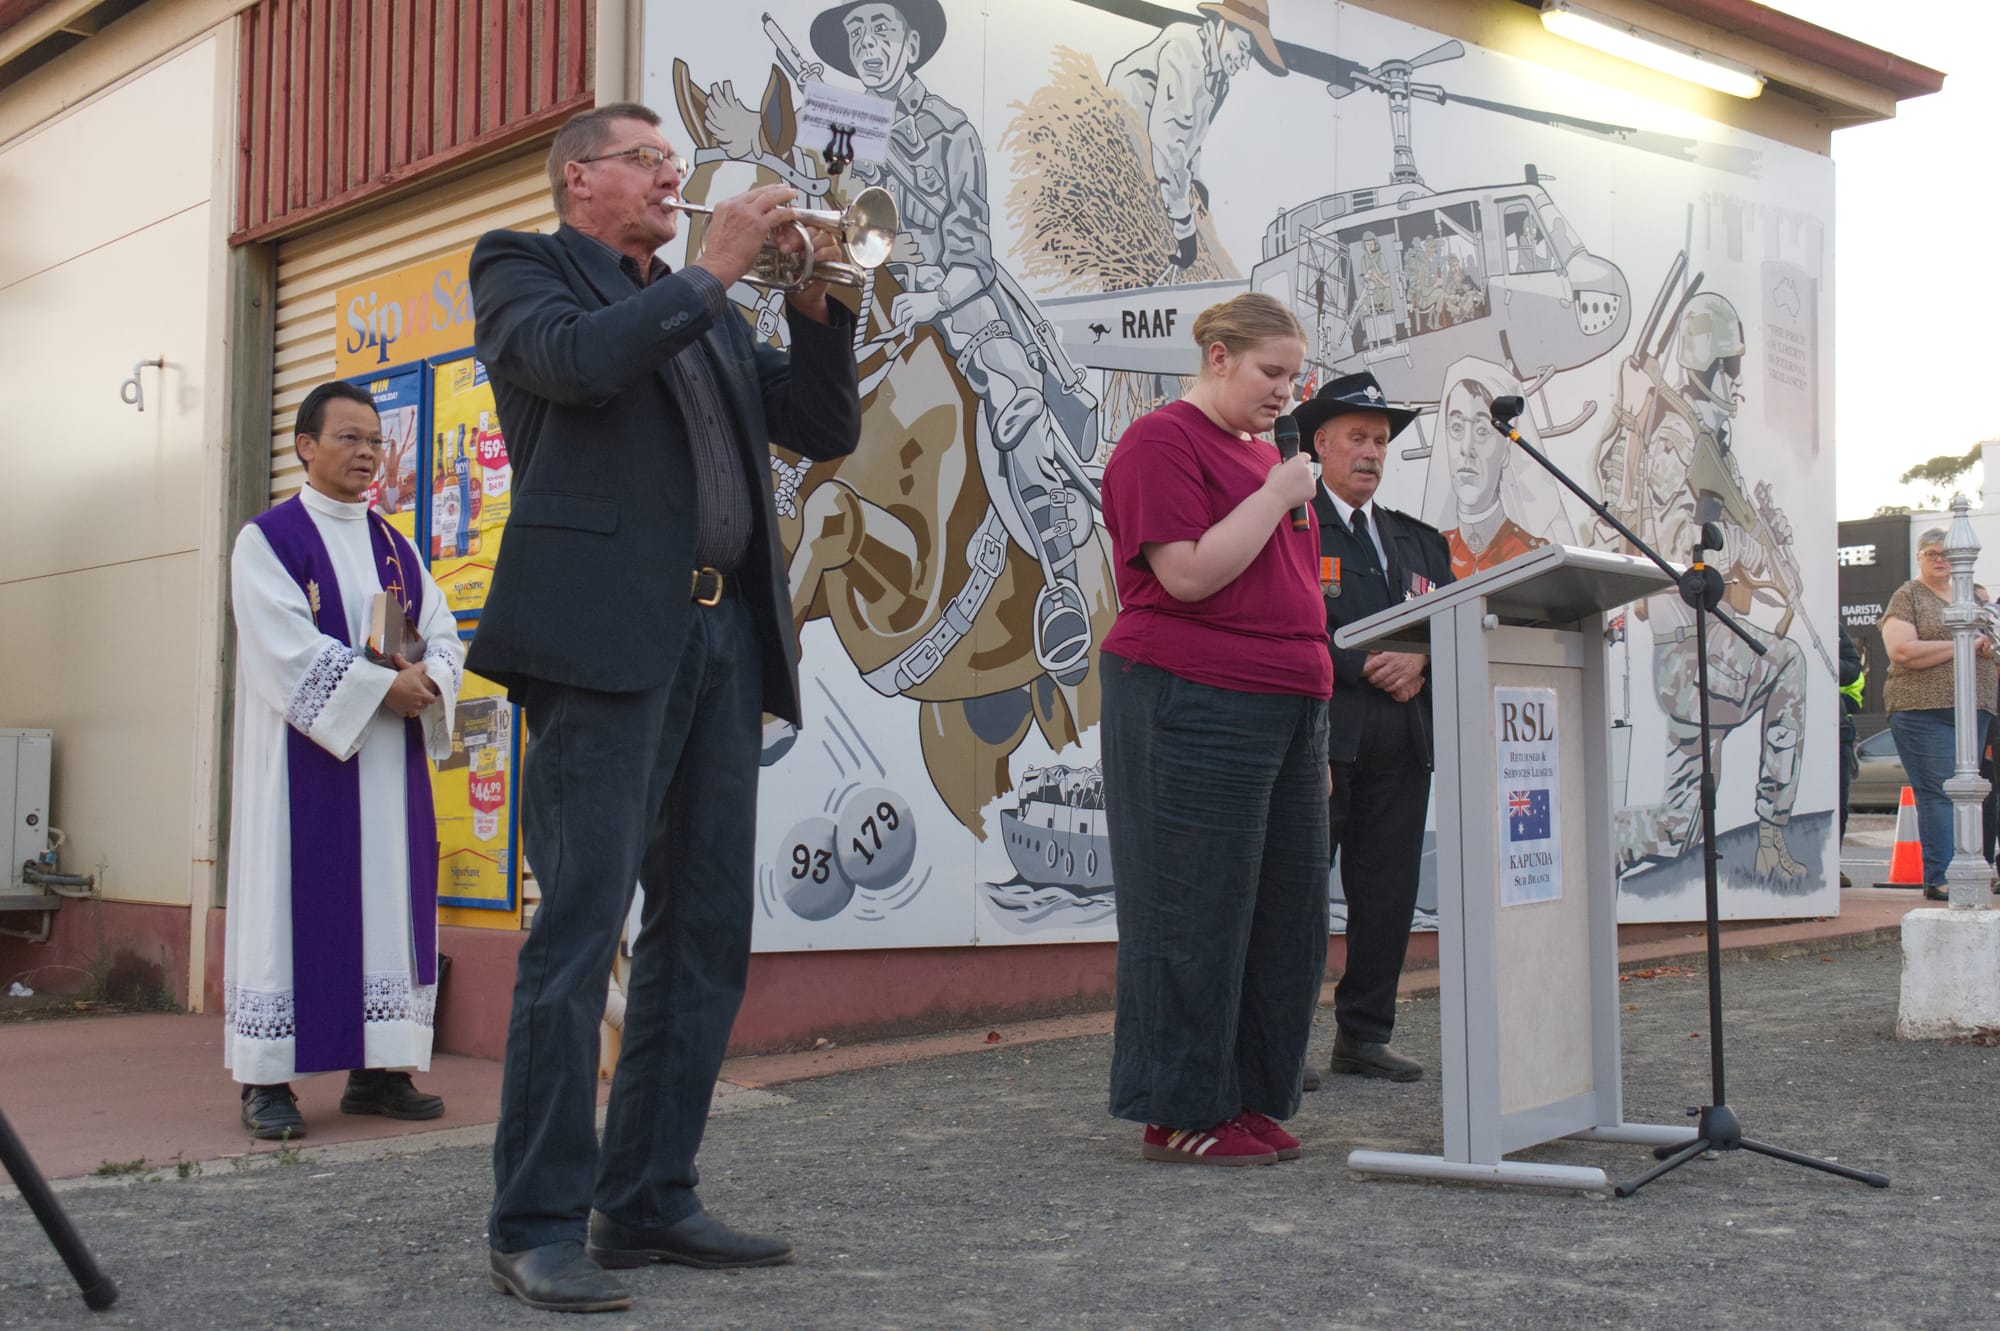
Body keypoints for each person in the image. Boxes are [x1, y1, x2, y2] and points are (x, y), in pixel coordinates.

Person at [468, 102, 862, 1313]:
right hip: (597, 642)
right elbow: (577, 365)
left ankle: (645, 1196)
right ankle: (534, 1219)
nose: (669, 178)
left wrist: (819, 301)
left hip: (718, 638)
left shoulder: (705, 313)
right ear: (579, 177)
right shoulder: (526, 267)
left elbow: (822, 427)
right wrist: (716, 266)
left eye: (671, 165)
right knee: (580, 929)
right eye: (648, 161)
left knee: (702, 933)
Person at [1099, 292, 1328, 1166]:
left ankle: (1246, 1093)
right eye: (1272, 372)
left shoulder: (1265, 457)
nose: (1285, 391)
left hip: (1287, 701)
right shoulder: (1164, 439)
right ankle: (1180, 1108)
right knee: (1194, 905)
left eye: (1294, 376)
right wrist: (1275, 493)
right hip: (1192, 691)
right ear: (1219, 355)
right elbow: (1188, 575)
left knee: (1285, 914)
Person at [805, 0, 1096, 684]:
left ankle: (1060, 587)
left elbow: (974, 253)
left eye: (881, 29)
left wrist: (932, 299)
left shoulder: (950, 131)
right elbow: (822, 204)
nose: (868, 45)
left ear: (910, 43)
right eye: (856, 33)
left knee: (1014, 395)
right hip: (863, 287)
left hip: (953, 297)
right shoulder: (842, 122)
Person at [223, 381, 462, 1141]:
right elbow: (283, 649)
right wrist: (378, 687)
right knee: (289, 908)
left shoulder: (397, 546)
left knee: (388, 905)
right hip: (301, 772)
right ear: (305, 446)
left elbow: (443, 633)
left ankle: (380, 1068)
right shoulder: (268, 540)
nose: (367, 453)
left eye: (375, 440)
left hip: (388, 774)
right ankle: (266, 1078)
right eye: (349, 438)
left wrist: (429, 680)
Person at [1596, 291, 1809, 883]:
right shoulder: (1677, 438)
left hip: (1699, 651)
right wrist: (1743, 547)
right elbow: (1671, 542)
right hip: (1691, 654)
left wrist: (1769, 550)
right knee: (1787, 664)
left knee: (1677, 828)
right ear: (1709, 366)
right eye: (1732, 366)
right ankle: (1771, 834)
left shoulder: (1707, 436)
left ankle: (1594, 842)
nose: (1738, 379)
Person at [1299, 372, 1453, 1085]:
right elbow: (1285, 630)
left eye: (1381, 441)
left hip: (1401, 745)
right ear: (1320, 443)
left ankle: (1364, 1034)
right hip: (1322, 741)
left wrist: (1423, 660)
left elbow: (1455, 627)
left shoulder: (1418, 544)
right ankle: (1279, 1045)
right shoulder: (1291, 528)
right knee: (1296, 901)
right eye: (1357, 438)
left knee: (1387, 897)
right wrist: (1368, 665)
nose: (1370, 452)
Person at [1107, 0, 1286, 271]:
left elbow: (1193, 135)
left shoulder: (1220, 82)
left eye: (1250, 56)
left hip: (1155, 160)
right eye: (1244, 49)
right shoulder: (1185, 52)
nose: (1244, 63)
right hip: (1121, 140)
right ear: (1224, 26)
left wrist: (1196, 177)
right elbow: (1169, 140)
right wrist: (1184, 227)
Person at [1879, 530, 1997, 900]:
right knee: (1940, 792)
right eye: (1932, 553)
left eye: (1947, 554)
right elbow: (1902, 651)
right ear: (1919, 557)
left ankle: (1971, 868)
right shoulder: (1908, 595)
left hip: (1974, 709)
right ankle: (1941, 876)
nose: (1940, 559)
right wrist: (1962, 644)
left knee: (1971, 793)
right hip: (1922, 709)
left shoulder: (1974, 597)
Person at [1837, 623, 1863, 888]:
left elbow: (1852, 669)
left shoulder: (1833, 626)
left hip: (1836, 726)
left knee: (1837, 803)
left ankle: (1832, 862)